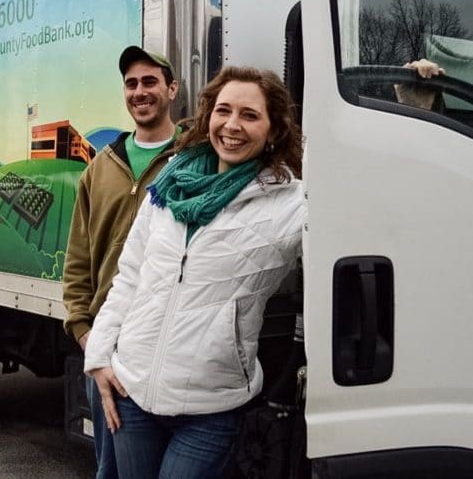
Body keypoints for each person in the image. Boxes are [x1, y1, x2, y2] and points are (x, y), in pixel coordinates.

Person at [84, 66, 306, 479]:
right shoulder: (168, 187)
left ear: (274, 130)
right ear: (209, 117)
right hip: (132, 392)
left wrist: (419, 104)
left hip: (211, 408)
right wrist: (98, 358)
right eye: (224, 110)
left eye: (250, 115)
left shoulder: (289, 204)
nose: (233, 125)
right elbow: (129, 276)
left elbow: (360, 198)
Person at [63, 46, 180, 479]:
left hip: (169, 342)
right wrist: (87, 337)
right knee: (110, 468)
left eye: (150, 81)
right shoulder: (99, 169)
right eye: (131, 84)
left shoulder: (195, 158)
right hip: (110, 348)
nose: (139, 92)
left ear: (172, 88)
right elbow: (77, 261)